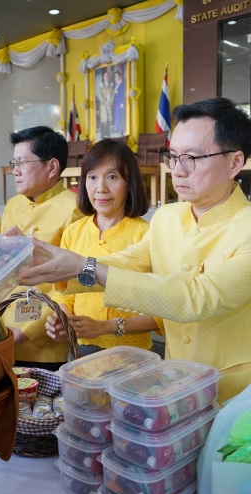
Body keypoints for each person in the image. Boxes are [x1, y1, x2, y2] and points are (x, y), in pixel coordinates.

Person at [18, 98, 251, 403]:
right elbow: (130, 262)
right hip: (179, 388)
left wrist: (84, 267)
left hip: (243, 395)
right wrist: (60, 266)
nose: (178, 170)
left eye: (192, 157)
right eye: (173, 157)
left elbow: (198, 298)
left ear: (235, 162)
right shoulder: (168, 217)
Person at [46, 139, 160, 358]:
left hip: (132, 355)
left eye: (112, 177)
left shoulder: (147, 234)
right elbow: (63, 295)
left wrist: (106, 326)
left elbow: (161, 313)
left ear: (130, 183)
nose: (101, 188)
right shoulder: (73, 232)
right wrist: (63, 320)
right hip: (80, 350)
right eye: (92, 177)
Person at [2, 126, 85, 369]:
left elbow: (74, 285)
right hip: (3, 329)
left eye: (22, 162)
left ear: (52, 167)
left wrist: (26, 331)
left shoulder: (73, 209)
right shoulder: (13, 205)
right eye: (13, 162)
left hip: (45, 338)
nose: (14, 171)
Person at [98, 70, 113, 139]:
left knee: (109, 119)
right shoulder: (101, 85)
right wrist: (105, 102)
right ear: (103, 77)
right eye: (105, 76)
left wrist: (111, 102)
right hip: (104, 104)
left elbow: (112, 94)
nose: (106, 77)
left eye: (107, 75)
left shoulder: (111, 85)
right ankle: (102, 134)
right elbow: (100, 94)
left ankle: (108, 133)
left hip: (109, 104)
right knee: (104, 119)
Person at [112, 69, 126, 135]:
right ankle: (116, 129)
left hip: (120, 103)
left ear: (119, 76)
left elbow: (122, 94)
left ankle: (120, 130)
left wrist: (122, 103)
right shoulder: (114, 85)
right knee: (116, 116)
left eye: (117, 76)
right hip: (116, 103)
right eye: (115, 76)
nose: (116, 77)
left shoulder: (121, 84)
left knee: (120, 116)